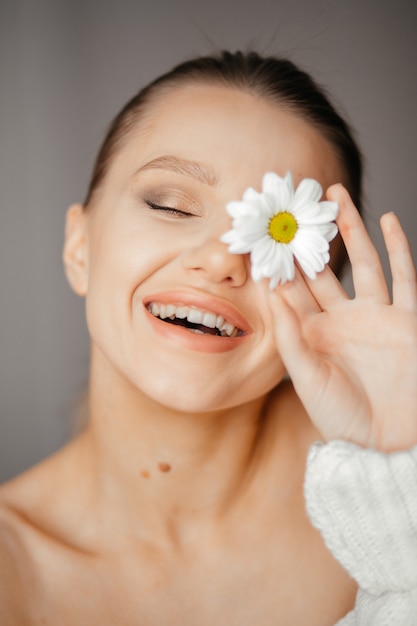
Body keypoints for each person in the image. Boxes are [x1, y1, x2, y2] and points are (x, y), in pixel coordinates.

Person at [0, 51, 416, 625]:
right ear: (80, 247)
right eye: (170, 205)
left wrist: (399, 477)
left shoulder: (394, 491)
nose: (223, 258)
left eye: (280, 235)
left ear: (324, 297)